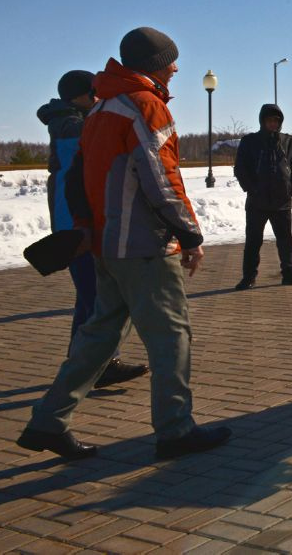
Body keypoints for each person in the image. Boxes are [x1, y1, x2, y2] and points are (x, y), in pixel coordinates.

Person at [17, 27, 231, 461]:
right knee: (171, 336)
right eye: (171, 60)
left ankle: (47, 421)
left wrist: (85, 229)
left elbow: (76, 179)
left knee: (98, 337)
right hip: (145, 247)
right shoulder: (145, 106)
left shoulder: (100, 109)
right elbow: (161, 180)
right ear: (153, 65)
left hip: (106, 246)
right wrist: (190, 234)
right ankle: (175, 431)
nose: (175, 67)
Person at [36, 70, 148, 388]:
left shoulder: (69, 123)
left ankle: (85, 362)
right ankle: (94, 367)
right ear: (79, 96)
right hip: (76, 227)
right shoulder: (73, 127)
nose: (98, 99)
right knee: (98, 300)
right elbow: (89, 173)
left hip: (75, 224)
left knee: (89, 298)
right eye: (93, 93)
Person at [233, 103, 292, 290]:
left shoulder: (289, 141)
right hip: (257, 202)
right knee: (253, 241)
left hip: (282, 202)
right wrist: (251, 188)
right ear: (262, 121)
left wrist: (291, 188)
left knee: (285, 241)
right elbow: (240, 168)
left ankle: (289, 274)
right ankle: (248, 277)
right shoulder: (249, 141)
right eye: (269, 120)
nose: (273, 124)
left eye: (276, 120)